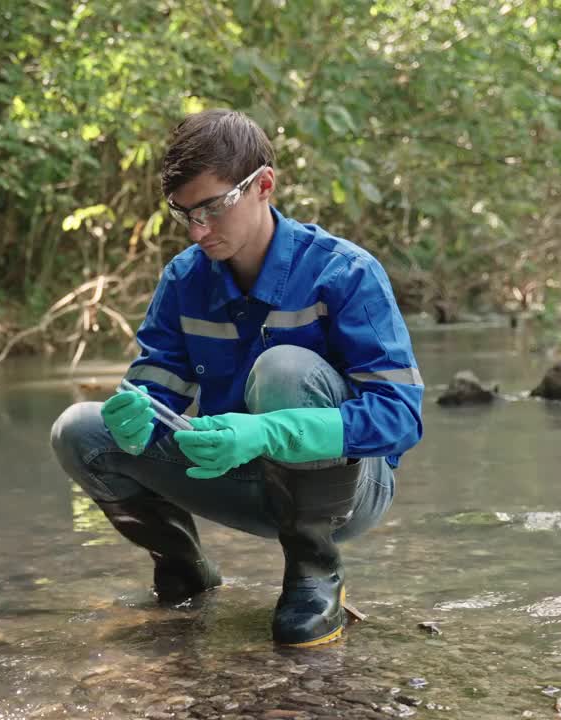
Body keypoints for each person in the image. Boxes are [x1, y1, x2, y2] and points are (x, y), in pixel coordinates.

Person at [50, 109, 424, 647]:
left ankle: (314, 574)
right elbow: (155, 389)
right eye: (185, 214)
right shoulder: (183, 279)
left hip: (344, 491)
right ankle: (184, 570)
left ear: (263, 186)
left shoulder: (346, 272)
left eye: (212, 208)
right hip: (236, 473)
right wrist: (135, 416)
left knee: (284, 367)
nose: (198, 230)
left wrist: (270, 431)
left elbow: (401, 418)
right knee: (78, 431)